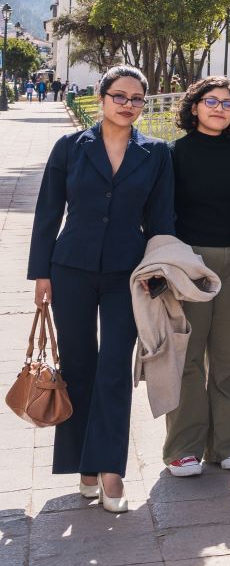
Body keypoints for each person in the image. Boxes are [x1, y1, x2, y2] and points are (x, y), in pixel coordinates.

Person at [30, 66, 175, 512]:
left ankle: (110, 470)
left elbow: (163, 218)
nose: (127, 104)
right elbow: (48, 212)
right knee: (78, 365)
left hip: (127, 273)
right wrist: (41, 274)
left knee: (114, 366)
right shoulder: (70, 147)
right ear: (101, 96)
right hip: (70, 266)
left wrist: (159, 269)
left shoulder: (156, 153)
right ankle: (83, 467)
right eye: (119, 95)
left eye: (136, 98)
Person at [163, 76, 230, 478]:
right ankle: (182, 449)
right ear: (194, 106)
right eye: (211, 101)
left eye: (227, 103)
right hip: (191, 265)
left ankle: (226, 445)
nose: (219, 108)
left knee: (227, 358)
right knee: (187, 357)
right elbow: (161, 212)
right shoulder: (172, 155)